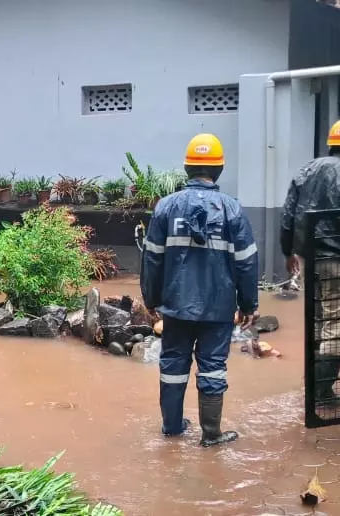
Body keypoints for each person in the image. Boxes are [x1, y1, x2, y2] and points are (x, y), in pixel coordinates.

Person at [141, 133, 259, 447]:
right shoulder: (232, 209)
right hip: (218, 308)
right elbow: (247, 262)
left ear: (187, 168)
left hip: (176, 305)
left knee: (173, 364)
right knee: (213, 367)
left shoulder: (166, 208)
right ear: (219, 170)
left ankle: (172, 427)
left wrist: (150, 298)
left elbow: (152, 258)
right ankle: (211, 434)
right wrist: (249, 304)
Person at [279, 118, 340, 405]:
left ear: (332, 145)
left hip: (309, 258)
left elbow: (288, 215)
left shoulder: (306, 171)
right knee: (335, 323)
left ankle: (313, 384)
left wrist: (288, 253)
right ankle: (322, 393)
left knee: (317, 319)